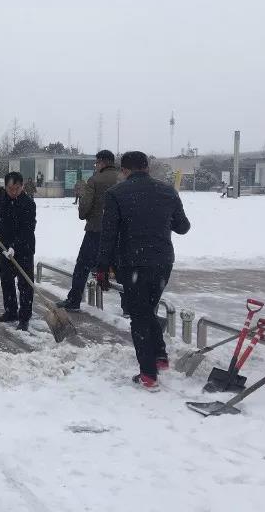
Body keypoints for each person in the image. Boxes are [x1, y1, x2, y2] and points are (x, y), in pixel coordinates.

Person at [97, 151, 191, 391]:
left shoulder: (116, 194)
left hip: (133, 263)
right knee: (146, 309)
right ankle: (159, 355)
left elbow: (108, 235)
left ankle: (148, 374)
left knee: (139, 315)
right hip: (162, 261)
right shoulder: (168, 191)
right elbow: (183, 227)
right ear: (147, 167)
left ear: (125, 170)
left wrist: (102, 267)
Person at [56, 150, 121, 312]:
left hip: (96, 230)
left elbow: (84, 209)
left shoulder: (95, 180)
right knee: (119, 268)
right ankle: (127, 306)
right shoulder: (123, 179)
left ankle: (74, 299)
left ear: (102, 163)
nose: (96, 166)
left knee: (83, 265)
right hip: (120, 233)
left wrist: (85, 213)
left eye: (96, 163)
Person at [0, 172, 37, 331]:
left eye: (16, 188)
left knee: (25, 284)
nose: (13, 192)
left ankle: (24, 317)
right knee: (6, 281)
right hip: (4, 244)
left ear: (22, 187)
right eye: (10, 188)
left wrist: (15, 247)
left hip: (24, 248)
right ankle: (11, 311)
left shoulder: (28, 204)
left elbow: (27, 230)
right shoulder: (1, 195)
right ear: (5, 186)